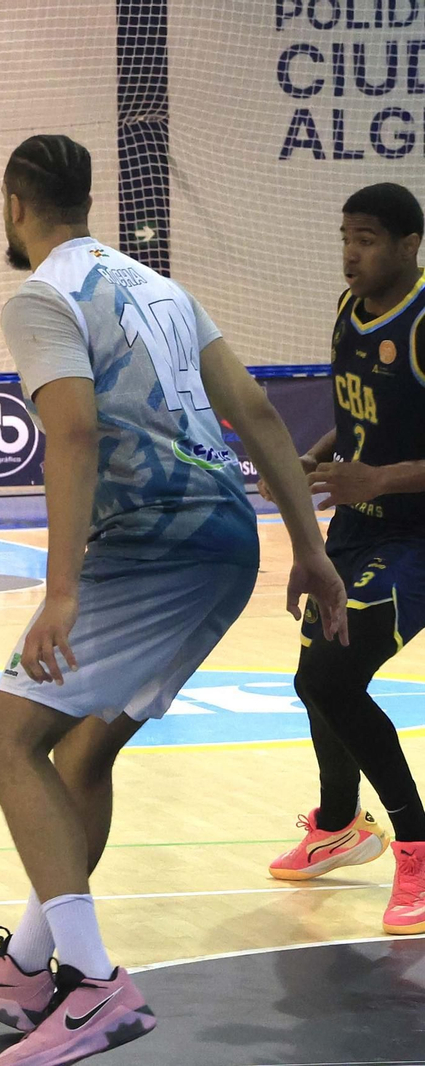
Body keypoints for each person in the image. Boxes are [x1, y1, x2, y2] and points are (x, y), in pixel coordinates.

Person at [0, 134, 349, 1066]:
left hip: (154, 540)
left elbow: (68, 433)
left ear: (13, 204)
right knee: (83, 748)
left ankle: (97, 984)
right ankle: (30, 966)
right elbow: (260, 414)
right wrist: (308, 550)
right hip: (226, 539)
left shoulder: (40, 294)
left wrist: (58, 589)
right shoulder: (159, 286)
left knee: (3, 740)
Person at [257, 182, 425, 935]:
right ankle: (338, 825)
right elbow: (354, 413)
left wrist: (378, 478)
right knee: (311, 677)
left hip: (416, 536)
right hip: (357, 527)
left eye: (368, 238)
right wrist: (312, 460)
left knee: (332, 673)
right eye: (346, 236)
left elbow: (386, 458)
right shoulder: (345, 310)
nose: (352, 252)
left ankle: (416, 846)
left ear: (409, 245)